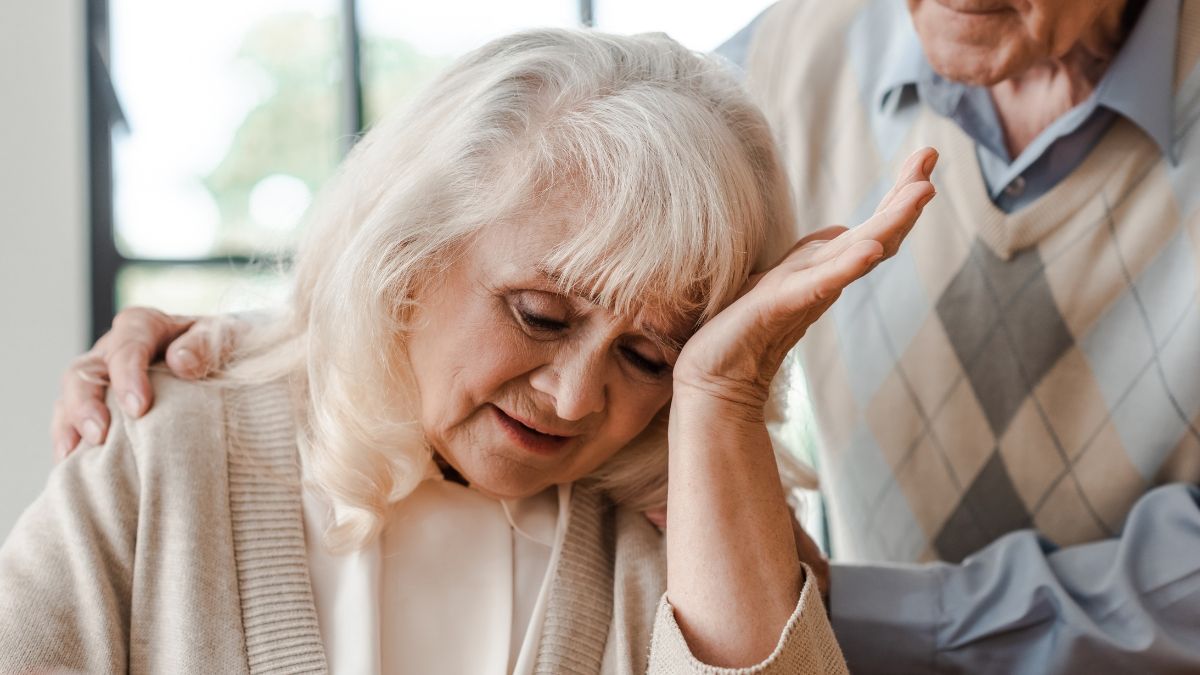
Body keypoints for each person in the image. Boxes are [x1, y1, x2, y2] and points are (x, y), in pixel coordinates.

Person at [52, 0, 1200, 672]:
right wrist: (282, 347)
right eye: (538, 323)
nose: (566, 398)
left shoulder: (656, 547)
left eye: (650, 360)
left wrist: (832, 603)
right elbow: (559, 193)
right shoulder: (807, 49)